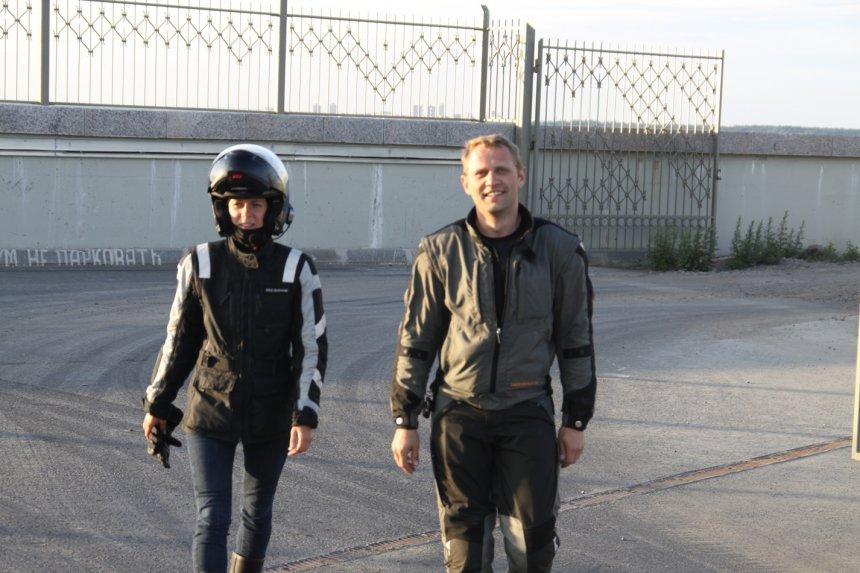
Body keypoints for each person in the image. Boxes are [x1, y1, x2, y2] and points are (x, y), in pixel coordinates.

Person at [390, 134, 596, 572]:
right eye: (481, 172)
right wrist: (405, 421)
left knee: (532, 548)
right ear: (465, 182)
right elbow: (416, 341)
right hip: (459, 415)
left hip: (526, 411)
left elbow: (576, 340)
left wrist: (575, 420)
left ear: (520, 175)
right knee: (465, 552)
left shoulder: (560, 249)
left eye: (501, 170)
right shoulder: (439, 250)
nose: (492, 181)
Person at [141, 144, 327, 573]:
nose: (246, 214)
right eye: (237, 204)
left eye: (256, 204)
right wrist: (157, 402)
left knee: (256, 515)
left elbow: (312, 345)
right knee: (212, 517)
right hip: (210, 409)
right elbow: (179, 340)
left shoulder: (296, 267)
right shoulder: (199, 262)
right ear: (222, 208)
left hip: (271, 412)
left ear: (274, 207)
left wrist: (306, 414)